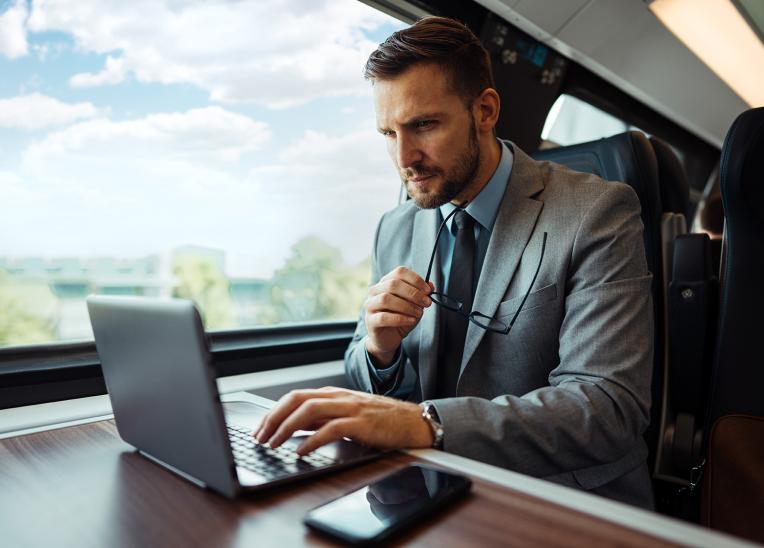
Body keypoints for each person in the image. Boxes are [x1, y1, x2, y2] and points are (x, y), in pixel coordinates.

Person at [256, 16, 654, 508]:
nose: (404, 157)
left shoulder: (596, 211)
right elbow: (364, 371)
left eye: (423, 125)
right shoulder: (395, 227)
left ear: (484, 111)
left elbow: (608, 407)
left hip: (562, 501)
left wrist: (425, 423)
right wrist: (381, 352)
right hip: (426, 494)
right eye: (387, 133)